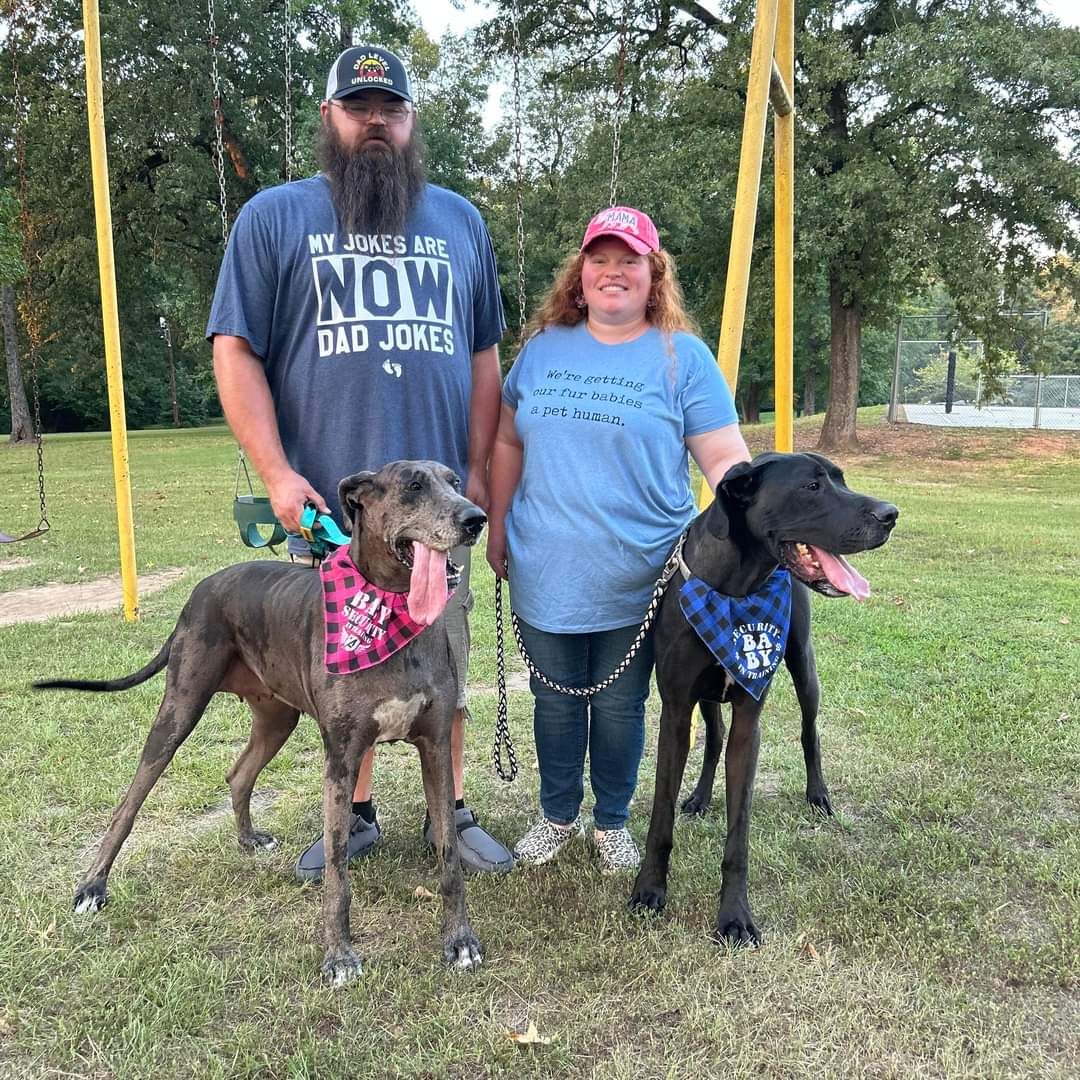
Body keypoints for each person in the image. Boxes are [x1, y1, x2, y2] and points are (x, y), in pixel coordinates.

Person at [207, 44, 513, 880]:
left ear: (412, 124)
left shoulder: (462, 222)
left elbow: (485, 358)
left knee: (441, 654)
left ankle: (449, 811)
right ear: (330, 119)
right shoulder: (273, 218)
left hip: (436, 507)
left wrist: (476, 472)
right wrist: (275, 473)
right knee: (350, 665)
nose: (375, 119)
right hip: (342, 508)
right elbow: (234, 351)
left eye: (392, 108)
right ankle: (362, 813)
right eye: (358, 106)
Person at [486, 206, 750, 873]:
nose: (613, 272)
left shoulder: (682, 357)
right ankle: (555, 813)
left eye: (628, 260)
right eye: (599, 259)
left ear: (652, 274)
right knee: (553, 698)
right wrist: (497, 520)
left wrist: (753, 517)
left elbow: (723, 457)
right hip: (545, 561)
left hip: (646, 570)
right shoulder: (542, 348)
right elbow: (508, 439)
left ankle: (611, 822)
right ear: (579, 274)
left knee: (620, 703)